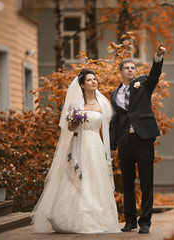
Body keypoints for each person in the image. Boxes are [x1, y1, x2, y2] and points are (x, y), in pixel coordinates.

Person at [32, 69, 121, 234]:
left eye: (95, 79)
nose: (94, 82)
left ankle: (97, 219)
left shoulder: (103, 103)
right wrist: (75, 120)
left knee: (95, 178)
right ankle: (68, 219)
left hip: (95, 143)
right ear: (82, 84)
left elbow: (108, 129)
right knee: (77, 177)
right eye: (89, 80)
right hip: (79, 142)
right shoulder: (76, 104)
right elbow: (70, 128)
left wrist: (108, 151)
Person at [109, 43, 166, 234]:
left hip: (144, 139)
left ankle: (145, 222)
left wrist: (157, 58)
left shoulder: (143, 84)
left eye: (133, 67)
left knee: (146, 181)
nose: (131, 70)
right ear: (121, 71)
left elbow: (154, 75)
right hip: (125, 142)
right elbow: (115, 121)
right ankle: (130, 221)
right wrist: (113, 145)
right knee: (127, 182)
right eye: (127, 68)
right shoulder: (114, 94)